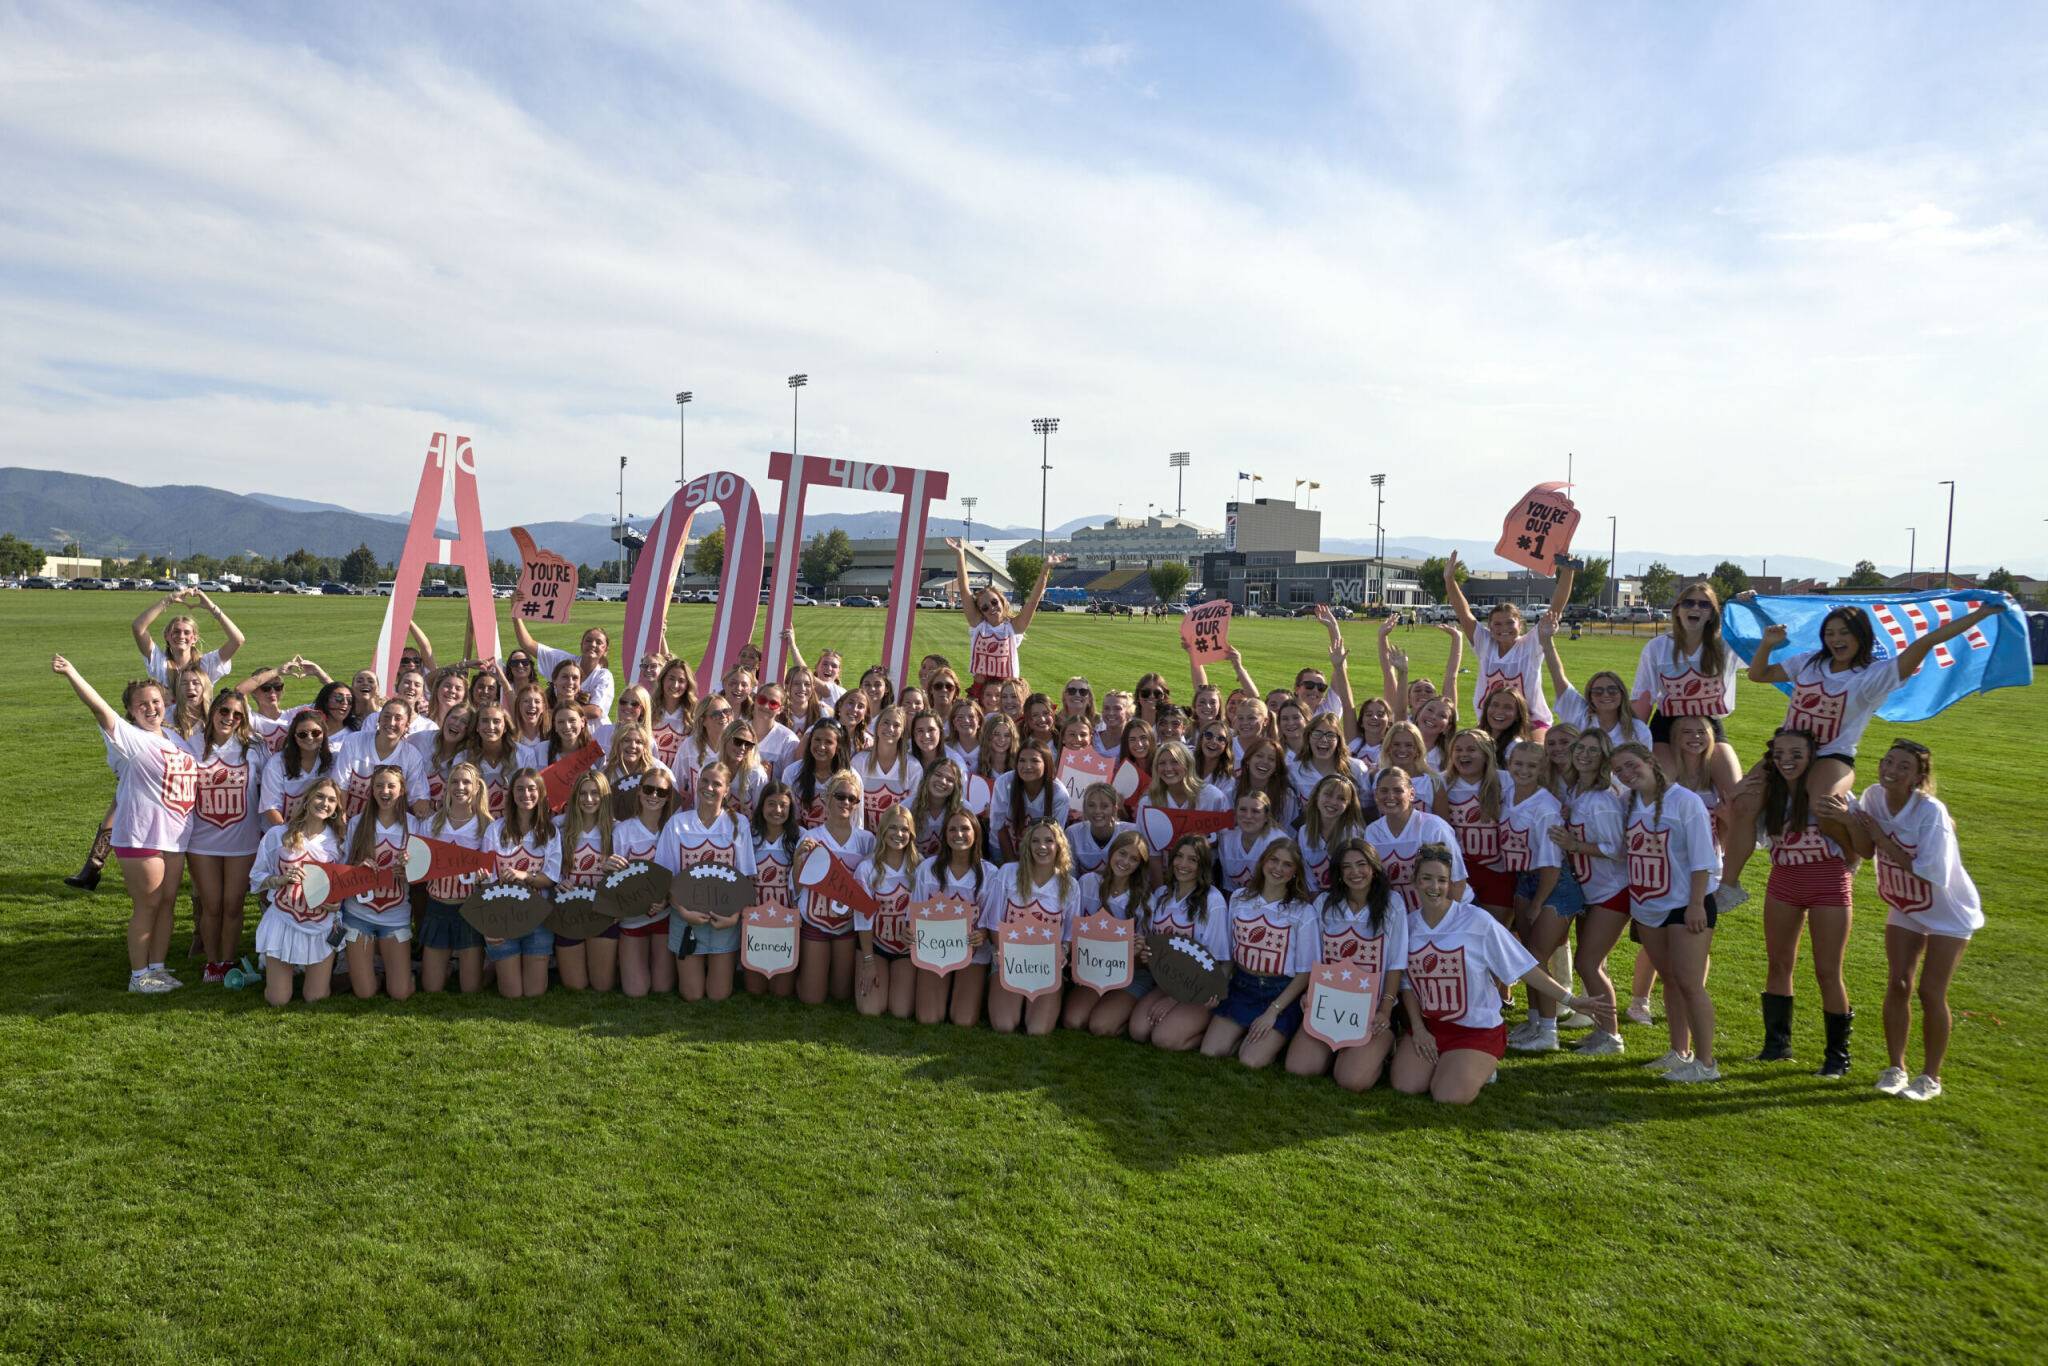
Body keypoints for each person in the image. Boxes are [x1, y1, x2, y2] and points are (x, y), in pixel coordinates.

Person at [1724, 596, 2008, 889]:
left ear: (1861, 635)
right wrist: (1768, 644)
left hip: (1832, 756)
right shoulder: (1809, 661)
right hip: (1787, 752)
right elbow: (1758, 675)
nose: (1836, 639)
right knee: (1743, 803)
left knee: (1824, 805)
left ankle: (1850, 855)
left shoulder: (1875, 674)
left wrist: (1979, 615)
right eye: (1830, 633)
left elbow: (1926, 642)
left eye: (1844, 632)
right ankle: (1729, 884)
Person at [1391, 844, 1594, 1104]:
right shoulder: (1408, 925)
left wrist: (1571, 1000)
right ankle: (1451, 1063)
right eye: (1427, 879)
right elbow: (1406, 983)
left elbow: (1524, 967)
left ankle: (1480, 1065)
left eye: (1442, 880)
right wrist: (1418, 1029)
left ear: (1450, 882)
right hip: (1430, 1026)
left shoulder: (1477, 921)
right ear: (1415, 882)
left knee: (1448, 1096)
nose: (1434, 887)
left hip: (1475, 1028)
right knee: (1405, 1085)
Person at [53, 655, 197, 992]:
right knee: (147, 905)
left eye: (156, 702)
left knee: (167, 903)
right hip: (140, 836)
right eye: (141, 705)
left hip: (175, 839)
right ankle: (139, 975)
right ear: (131, 711)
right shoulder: (131, 739)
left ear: (167, 704)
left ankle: (158, 969)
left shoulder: (178, 740)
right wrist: (73, 672)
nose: (150, 709)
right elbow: (100, 708)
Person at [1849, 739, 1981, 1102]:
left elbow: (1929, 873)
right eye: (1887, 761)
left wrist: (1880, 838)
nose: (1891, 769)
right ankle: (1895, 1068)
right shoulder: (1873, 796)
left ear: (1918, 776)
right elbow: (1863, 849)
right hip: (1905, 903)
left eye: (1903, 766)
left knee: (1930, 991)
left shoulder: (1930, 812)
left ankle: (1930, 1078)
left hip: (1948, 911)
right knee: (1899, 984)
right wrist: (1846, 817)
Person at [1612, 743, 1722, 1082]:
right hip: (1647, 905)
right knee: (1671, 981)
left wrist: (1694, 904)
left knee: (1690, 983)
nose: (1628, 775)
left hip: (1686, 904)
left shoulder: (1685, 802)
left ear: (1650, 761)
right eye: (1619, 772)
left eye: (1632, 766)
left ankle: (1706, 1064)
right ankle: (1679, 1051)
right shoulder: (1626, 803)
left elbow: (1704, 858)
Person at [1753, 728, 1858, 1075]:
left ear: (1813, 757)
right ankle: (1776, 1045)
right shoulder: (1769, 794)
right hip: (1784, 881)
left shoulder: (1831, 794)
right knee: (1778, 964)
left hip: (1829, 883)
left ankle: (1836, 1057)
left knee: (1828, 971)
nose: (1787, 761)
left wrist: (1844, 822)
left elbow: (1858, 849)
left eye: (1797, 754)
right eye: (1780, 754)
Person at [1285, 838, 1407, 1090]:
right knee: (1298, 1068)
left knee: (1351, 1080)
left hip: (1372, 1009)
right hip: (1328, 1006)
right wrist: (1310, 996)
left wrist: (1385, 1010)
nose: (1355, 872)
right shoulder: (1324, 904)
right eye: (1347, 867)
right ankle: (1342, 1052)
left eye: (1362, 864)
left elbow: (1395, 963)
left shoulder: (1392, 903)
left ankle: (1384, 1043)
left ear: (1374, 868)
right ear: (1338, 873)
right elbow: (1315, 960)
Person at [1202, 839, 1320, 1068]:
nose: (1278, 868)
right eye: (1274, 860)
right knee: (1210, 1052)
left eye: (1287, 865)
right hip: (1242, 987)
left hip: (1281, 993)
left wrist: (1273, 1011)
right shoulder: (1239, 898)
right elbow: (1230, 954)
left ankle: (1277, 1036)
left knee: (1250, 1060)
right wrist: (1220, 983)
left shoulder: (1303, 911)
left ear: (1295, 872)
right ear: (1263, 861)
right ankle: (1249, 1037)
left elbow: (1306, 972)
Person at [182, 689, 266, 983]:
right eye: (224, 711)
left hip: (242, 840)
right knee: (212, 904)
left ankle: (228, 961)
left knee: (233, 903)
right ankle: (212, 962)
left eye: (237, 714)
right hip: (202, 840)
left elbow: (268, 790)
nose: (229, 718)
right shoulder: (192, 745)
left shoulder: (253, 748)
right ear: (213, 711)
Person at [1441, 551, 1574, 729]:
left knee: (1532, 752)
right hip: (1491, 721)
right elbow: (1463, 612)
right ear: (1489, 626)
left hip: (1531, 721)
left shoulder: (1531, 644)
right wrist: (1449, 580)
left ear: (1520, 624)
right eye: (1497, 624)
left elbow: (1556, 607)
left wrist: (1568, 571)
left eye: (1510, 623)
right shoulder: (1485, 643)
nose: (1504, 629)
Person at [659, 762, 756, 1004]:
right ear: (696, 783)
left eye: (717, 783)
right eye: (704, 781)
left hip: (724, 919)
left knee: (718, 995)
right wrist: (683, 911)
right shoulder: (677, 823)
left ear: (727, 791)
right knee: (691, 995)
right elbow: (666, 876)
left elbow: (746, 877)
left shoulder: (738, 824)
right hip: (686, 916)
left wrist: (734, 917)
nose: (709, 787)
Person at [248, 778, 349, 1007]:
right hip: (283, 920)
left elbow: (347, 883)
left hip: (321, 925)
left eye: (332, 800)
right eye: (320, 796)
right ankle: (274, 972)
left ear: (336, 808)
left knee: (315, 998)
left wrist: (336, 903)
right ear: (307, 799)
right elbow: (256, 876)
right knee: (278, 1000)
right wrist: (279, 880)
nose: (325, 803)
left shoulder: (340, 842)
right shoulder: (278, 835)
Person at [1130, 836, 1233, 1051]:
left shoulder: (1212, 901)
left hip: (1202, 987)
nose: (1183, 864)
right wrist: (1144, 951)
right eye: (1179, 856)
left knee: (1164, 1039)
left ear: (1203, 865)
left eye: (1192, 860)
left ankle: (1205, 1035)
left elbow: (1215, 962)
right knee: (1138, 1031)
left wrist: (1173, 1000)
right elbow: (1153, 947)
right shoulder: (1161, 895)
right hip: (1167, 983)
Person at [980, 820, 1082, 1036]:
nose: (1041, 846)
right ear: (1027, 845)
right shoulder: (1008, 873)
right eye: (1035, 841)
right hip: (1009, 961)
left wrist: (1063, 951)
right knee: (1004, 1025)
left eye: (1048, 840)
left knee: (1038, 1029)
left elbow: (1071, 933)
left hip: (1046, 966)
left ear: (1059, 846)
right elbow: (993, 921)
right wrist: (1000, 952)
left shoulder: (1070, 885)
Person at [1062, 830, 1155, 1036]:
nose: (1125, 862)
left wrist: (1137, 950)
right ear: (1112, 852)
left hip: (1130, 974)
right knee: (1073, 1021)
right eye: (1122, 853)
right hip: (1093, 970)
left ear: (1140, 865)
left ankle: (1125, 1014)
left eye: (1134, 859)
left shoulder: (1145, 900)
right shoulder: (1088, 883)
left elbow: (1144, 959)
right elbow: (1073, 928)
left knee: (1100, 1026)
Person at [794, 771, 876, 1006]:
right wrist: (799, 861)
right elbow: (797, 888)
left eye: (853, 799)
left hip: (847, 925)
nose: (846, 803)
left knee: (841, 994)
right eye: (840, 796)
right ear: (827, 798)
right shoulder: (811, 837)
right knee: (812, 998)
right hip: (816, 920)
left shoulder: (866, 840)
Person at [912, 808, 998, 1027]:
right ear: (945, 834)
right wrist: (910, 931)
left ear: (976, 833)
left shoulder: (990, 873)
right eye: (952, 829)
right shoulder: (928, 869)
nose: (958, 834)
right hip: (935, 950)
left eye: (965, 829)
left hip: (974, 953)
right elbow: (915, 913)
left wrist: (983, 934)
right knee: (928, 1018)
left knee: (964, 1020)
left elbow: (991, 921)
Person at [338, 765, 417, 1000]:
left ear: (402, 790)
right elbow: (342, 870)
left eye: (391, 785)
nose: (385, 791)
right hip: (359, 914)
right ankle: (376, 974)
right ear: (371, 790)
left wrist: (409, 870)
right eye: (379, 785)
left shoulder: (413, 825)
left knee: (400, 993)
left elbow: (424, 873)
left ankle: (402, 974)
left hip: (396, 915)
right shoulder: (357, 823)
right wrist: (358, 869)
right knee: (365, 992)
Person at [414, 762, 491, 995]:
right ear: (447, 787)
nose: (460, 787)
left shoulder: (487, 826)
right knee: (431, 988)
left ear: (477, 787)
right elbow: (418, 867)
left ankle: (493, 964)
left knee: (471, 989)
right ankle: (445, 965)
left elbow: (492, 870)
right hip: (438, 907)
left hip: (470, 909)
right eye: (455, 782)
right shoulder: (432, 823)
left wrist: (484, 877)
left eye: (466, 782)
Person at [481, 768, 556, 1000]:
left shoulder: (550, 832)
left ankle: (503, 963)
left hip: (537, 917)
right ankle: (494, 963)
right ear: (511, 794)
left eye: (532, 789)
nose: (526, 794)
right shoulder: (495, 830)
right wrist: (490, 926)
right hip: (503, 916)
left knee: (534, 992)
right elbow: (487, 880)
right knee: (512, 993)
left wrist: (525, 876)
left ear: (541, 793)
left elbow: (551, 878)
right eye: (520, 789)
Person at [948, 538, 1053, 697]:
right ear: (980, 611)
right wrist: (960, 554)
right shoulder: (978, 626)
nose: (991, 608)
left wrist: (1045, 570)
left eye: (994, 602)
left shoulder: (1013, 627)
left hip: (1008, 692)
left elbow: (1033, 601)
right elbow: (964, 590)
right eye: (984, 607)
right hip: (982, 691)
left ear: (1002, 602)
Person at [548, 771, 620, 993]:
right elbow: (546, 865)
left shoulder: (617, 829)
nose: (589, 800)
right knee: (575, 986)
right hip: (569, 912)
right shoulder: (559, 826)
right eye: (583, 793)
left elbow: (627, 876)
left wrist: (614, 872)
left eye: (595, 793)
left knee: (602, 985)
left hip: (603, 913)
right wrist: (558, 881)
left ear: (605, 796)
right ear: (574, 796)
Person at [611, 764, 676, 1000]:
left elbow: (679, 873)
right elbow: (617, 881)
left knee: (662, 988)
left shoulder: (674, 828)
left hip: (665, 916)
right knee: (636, 991)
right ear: (639, 791)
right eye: (649, 790)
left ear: (669, 797)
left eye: (661, 792)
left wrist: (666, 900)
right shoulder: (623, 831)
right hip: (633, 917)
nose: (654, 796)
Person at [853, 806, 920, 1019]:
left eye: (904, 829)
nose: (898, 834)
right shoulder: (866, 869)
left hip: (906, 951)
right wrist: (868, 960)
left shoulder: (921, 867)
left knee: (901, 1012)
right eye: (892, 828)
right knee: (870, 1010)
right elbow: (862, 920)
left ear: (911, 834)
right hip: (876, 946)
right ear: (882, 830)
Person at [513, 622, 614, 719]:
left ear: (605, 651)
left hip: (594, 733)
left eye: (599, 642)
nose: (593, 644)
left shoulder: (604, 676)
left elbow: (595, 711)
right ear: (581, 644)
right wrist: (516, 612)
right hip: (562, 730)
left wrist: (551, 714)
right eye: (588, 640)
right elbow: (528, 644)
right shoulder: (564, 661)